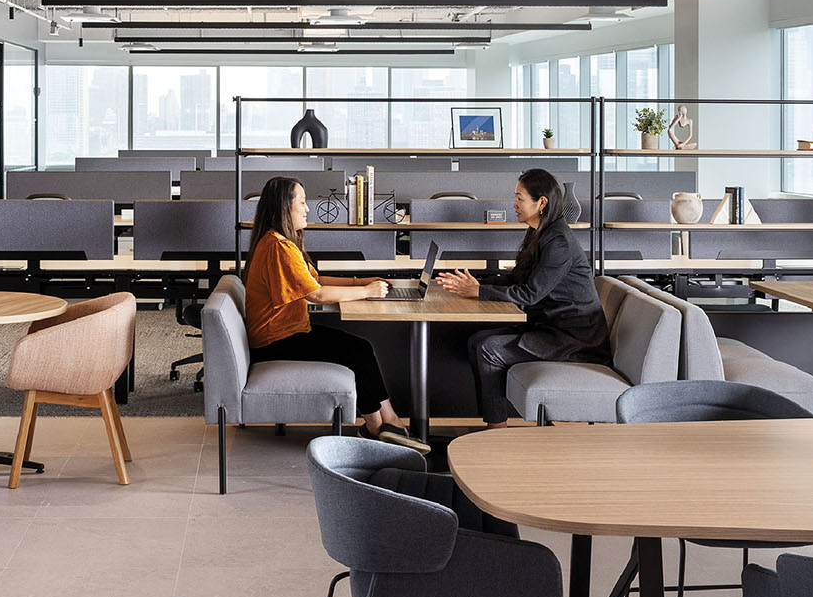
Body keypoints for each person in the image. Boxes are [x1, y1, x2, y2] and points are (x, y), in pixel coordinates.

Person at [244, 176, 428, 452]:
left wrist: (360, 283)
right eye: (302, 202)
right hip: (275, 340)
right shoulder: (278, 247)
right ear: (284, 207)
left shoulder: (280, 242)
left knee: (359, 348)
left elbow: (314, 280)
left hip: (287, 332)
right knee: (357, 350)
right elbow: (316, 295)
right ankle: (381, 426)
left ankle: (384, 423)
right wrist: (367, 292)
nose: (307, 209)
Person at [436, 168, 607, 428]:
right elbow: (518, 278)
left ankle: (496, 431)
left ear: (541, 203)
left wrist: (478, 292)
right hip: (549, 326)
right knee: (476, 341)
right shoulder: (539, 232)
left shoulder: (558, 241)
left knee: (488, 349)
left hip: (573, 339)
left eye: (520, 198)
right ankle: (493, 421)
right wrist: (474, 285)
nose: (513, 204)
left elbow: (529, 294)